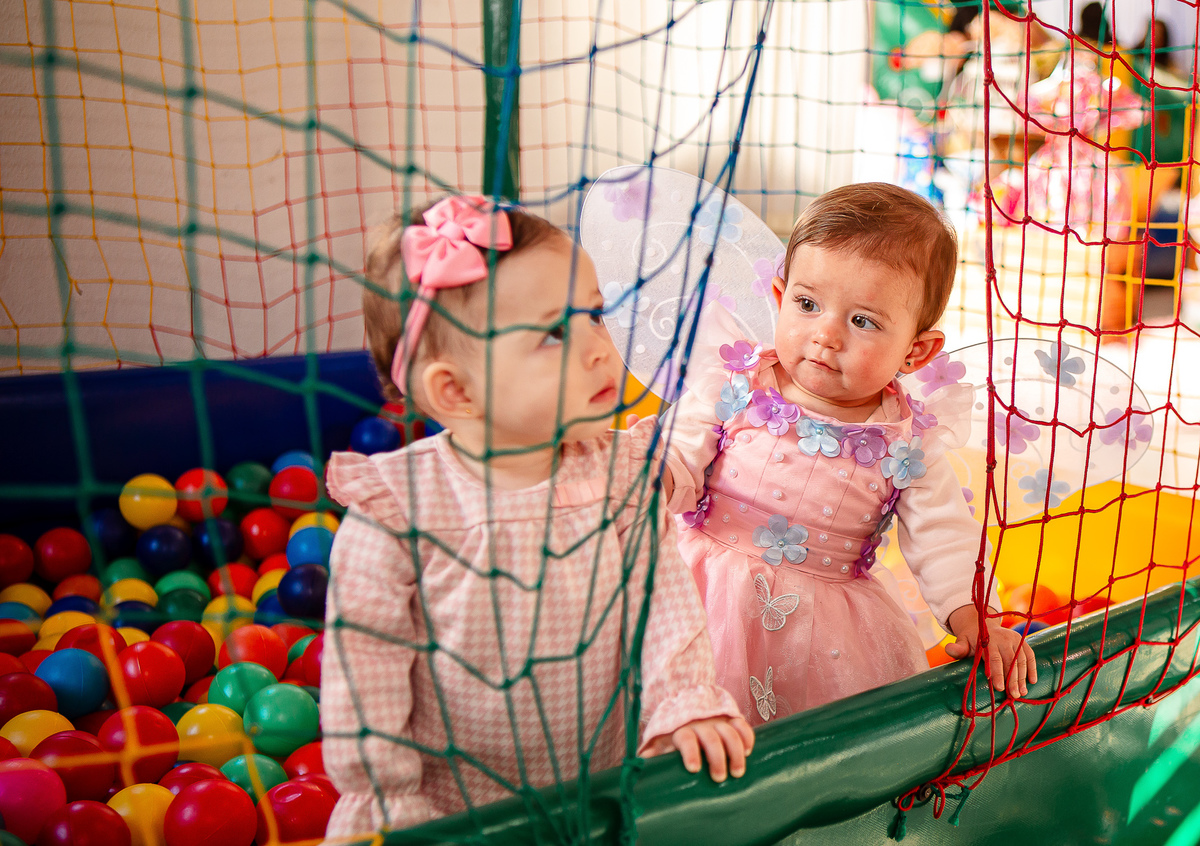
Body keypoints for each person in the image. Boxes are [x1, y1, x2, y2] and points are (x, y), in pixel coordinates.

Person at [319, 195, 753, 838]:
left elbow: (664, 606)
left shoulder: (621, 476)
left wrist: (684, 704)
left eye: (595, 315)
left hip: (598, 793)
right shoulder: (396, 511)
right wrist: (393, 806)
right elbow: (365, 683)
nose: (599, 348)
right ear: (455, 391)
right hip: (455, 811)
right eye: (553, 334)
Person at [655, 183, 1037, 725]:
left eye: (863, 321)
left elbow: (943, 535)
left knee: (808, 743)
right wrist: (654, 481)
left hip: (822, 636)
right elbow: (678, 453)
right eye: (807, 305)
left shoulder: (908, 442)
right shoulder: (732, 383)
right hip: (697, 593)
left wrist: (975, 614)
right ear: (780, 297)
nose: (826, 336)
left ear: (916, 350)